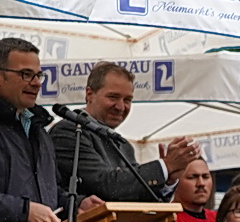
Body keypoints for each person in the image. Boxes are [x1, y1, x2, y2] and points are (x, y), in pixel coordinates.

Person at [49, 63, 198, 207]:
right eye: (113, 97)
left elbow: (138, 197)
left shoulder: (123, 145)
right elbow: (106, 186)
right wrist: (165, 166)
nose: (121, 107)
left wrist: (169, 178)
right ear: (90, 94)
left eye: (127, 100)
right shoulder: (69, 131)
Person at [0, 38, 78, 222]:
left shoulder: (39, 130)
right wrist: (25, 210)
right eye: (26, 74)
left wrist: (79, 204)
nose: (36, 83)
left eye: (39, 75)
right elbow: (32, 205)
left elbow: (51, 191)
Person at [172, 156, 217, 222]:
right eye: (192, 177)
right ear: (175, 182)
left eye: (205, 176)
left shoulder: (220, 219)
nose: (201, 183)